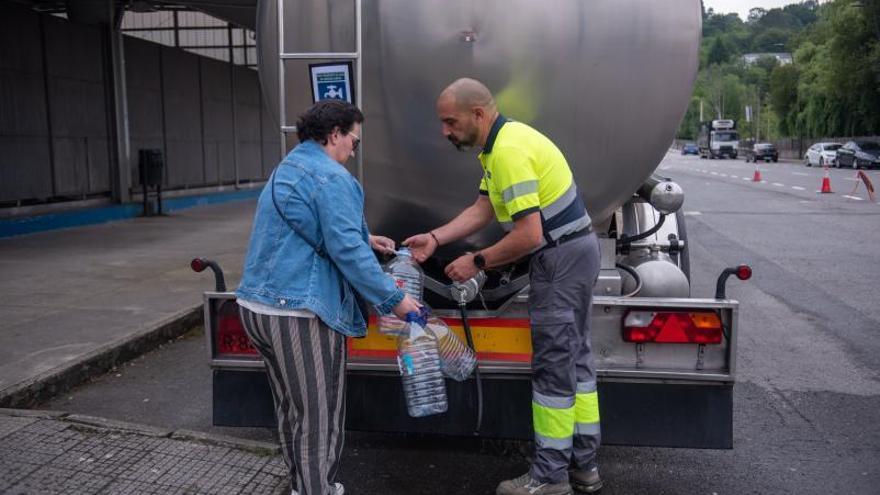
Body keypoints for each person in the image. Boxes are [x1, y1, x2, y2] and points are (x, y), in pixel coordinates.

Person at [404, 78, 603, 495]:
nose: (445, 131)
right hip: (574, 251)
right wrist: (436, 239)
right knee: (576, 361)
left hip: (560, 258)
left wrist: (477, 261)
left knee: (553, 366)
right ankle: (584, 466)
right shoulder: (498, 147)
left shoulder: (509, 152)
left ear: (478, 114)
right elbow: (484, 208)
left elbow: (529, 235)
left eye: (450, 122)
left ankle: (550, 478)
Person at [236, 100, 421, 495]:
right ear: (335, 134)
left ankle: (302, 485)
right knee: (319, 416)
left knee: (291, 409)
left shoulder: (288, 166)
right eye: (354, 140)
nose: (354, 150)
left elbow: (306, 221)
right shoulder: (332, 177)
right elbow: (347, 253)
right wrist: (396, 302)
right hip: (299, 312)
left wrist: (364, 237)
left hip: (257, 307)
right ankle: (317, 489)